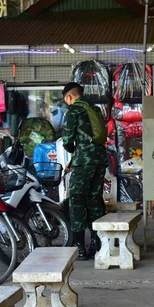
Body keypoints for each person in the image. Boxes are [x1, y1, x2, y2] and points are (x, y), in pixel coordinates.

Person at [61, 83, 107, 261]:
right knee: (95, 199)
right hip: (99, 160)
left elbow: (67, 139)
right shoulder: (94, 109)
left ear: (69, 97)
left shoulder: (73, 111)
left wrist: (74, 152)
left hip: (84, 163)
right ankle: (98, 242)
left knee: (77, 200)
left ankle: (80, 247)